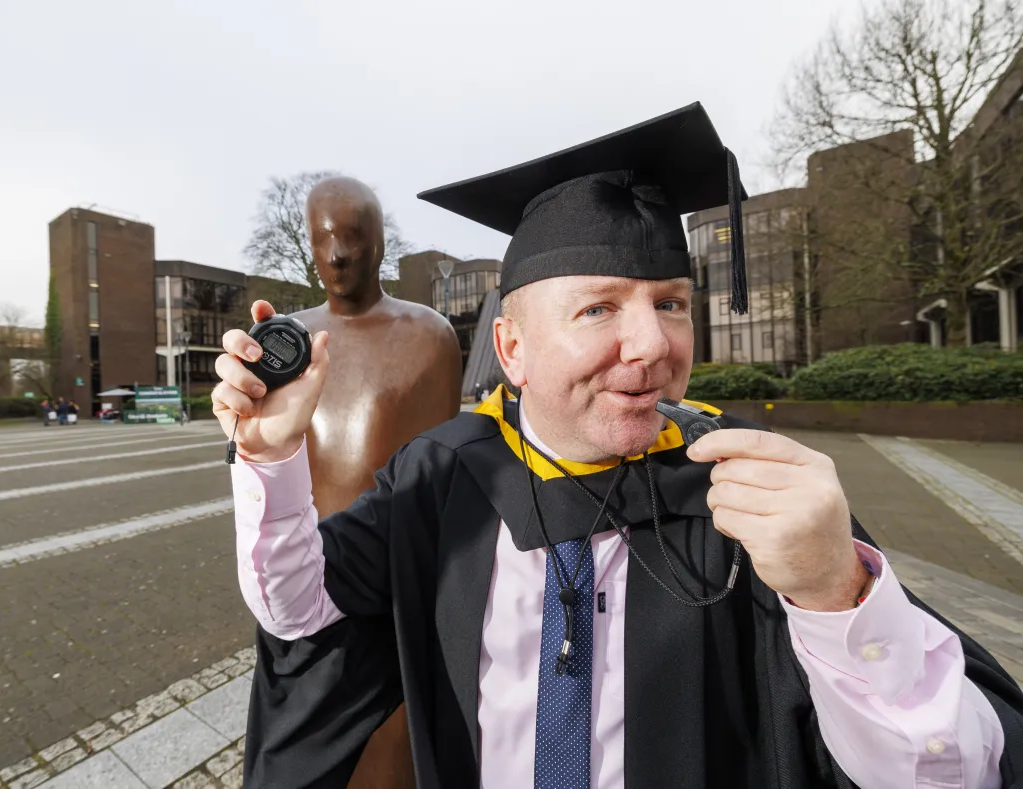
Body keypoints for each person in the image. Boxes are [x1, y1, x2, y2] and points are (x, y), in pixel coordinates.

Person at [213, 103, 1023, 788]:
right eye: (599, 309)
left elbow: (947, 768)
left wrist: (839, 595)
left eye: (671, 304)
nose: (651, 346)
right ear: (513, 347)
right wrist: (273, 459)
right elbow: (301, 612)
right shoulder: (443, 474)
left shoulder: (749, 492)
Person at [240, 175, 461, 788]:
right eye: (323, 240)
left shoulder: (428, 336)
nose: (337, 255)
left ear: (381, 244)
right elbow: (266, 468)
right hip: (309, 579)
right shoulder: (289, 345)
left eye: (354, 239)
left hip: (394, 581)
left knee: (393, 758)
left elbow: (436, 476)